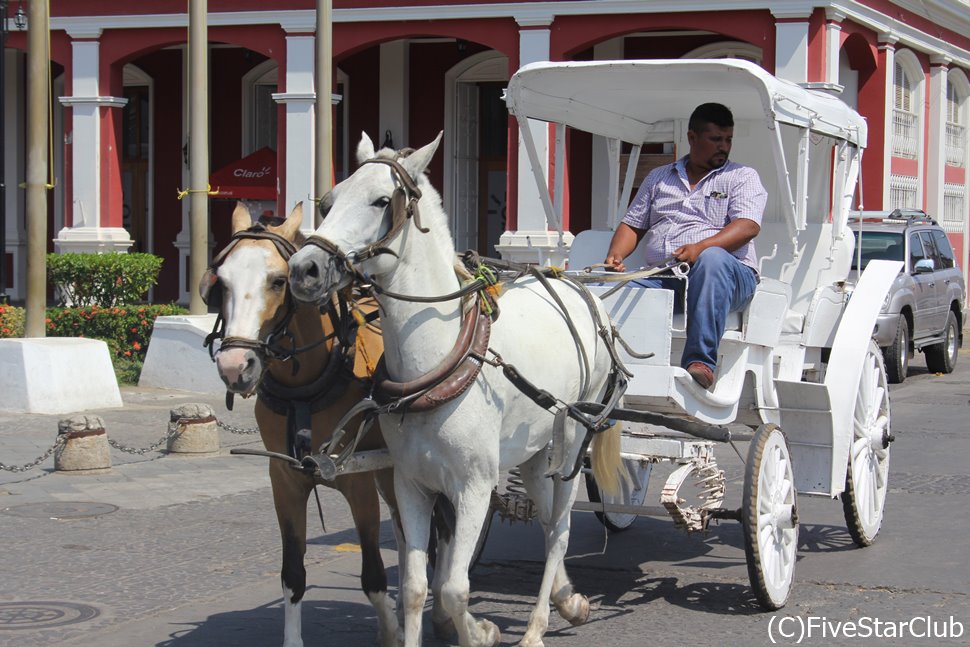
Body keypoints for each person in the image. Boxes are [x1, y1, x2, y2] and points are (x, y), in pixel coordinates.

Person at [604, 102, 767, 389]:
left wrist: (700, 248)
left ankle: (700, 363)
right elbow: (632, 225)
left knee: (712, 259)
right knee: (608, 289)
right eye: (715, 139)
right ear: (692, 138)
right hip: (665, 276)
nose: (724, 147)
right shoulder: (659, 177)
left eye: (728, 139)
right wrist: (615, 256)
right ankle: (605, 367)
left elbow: (748, 226)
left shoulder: (741, 177)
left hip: (729, 278)